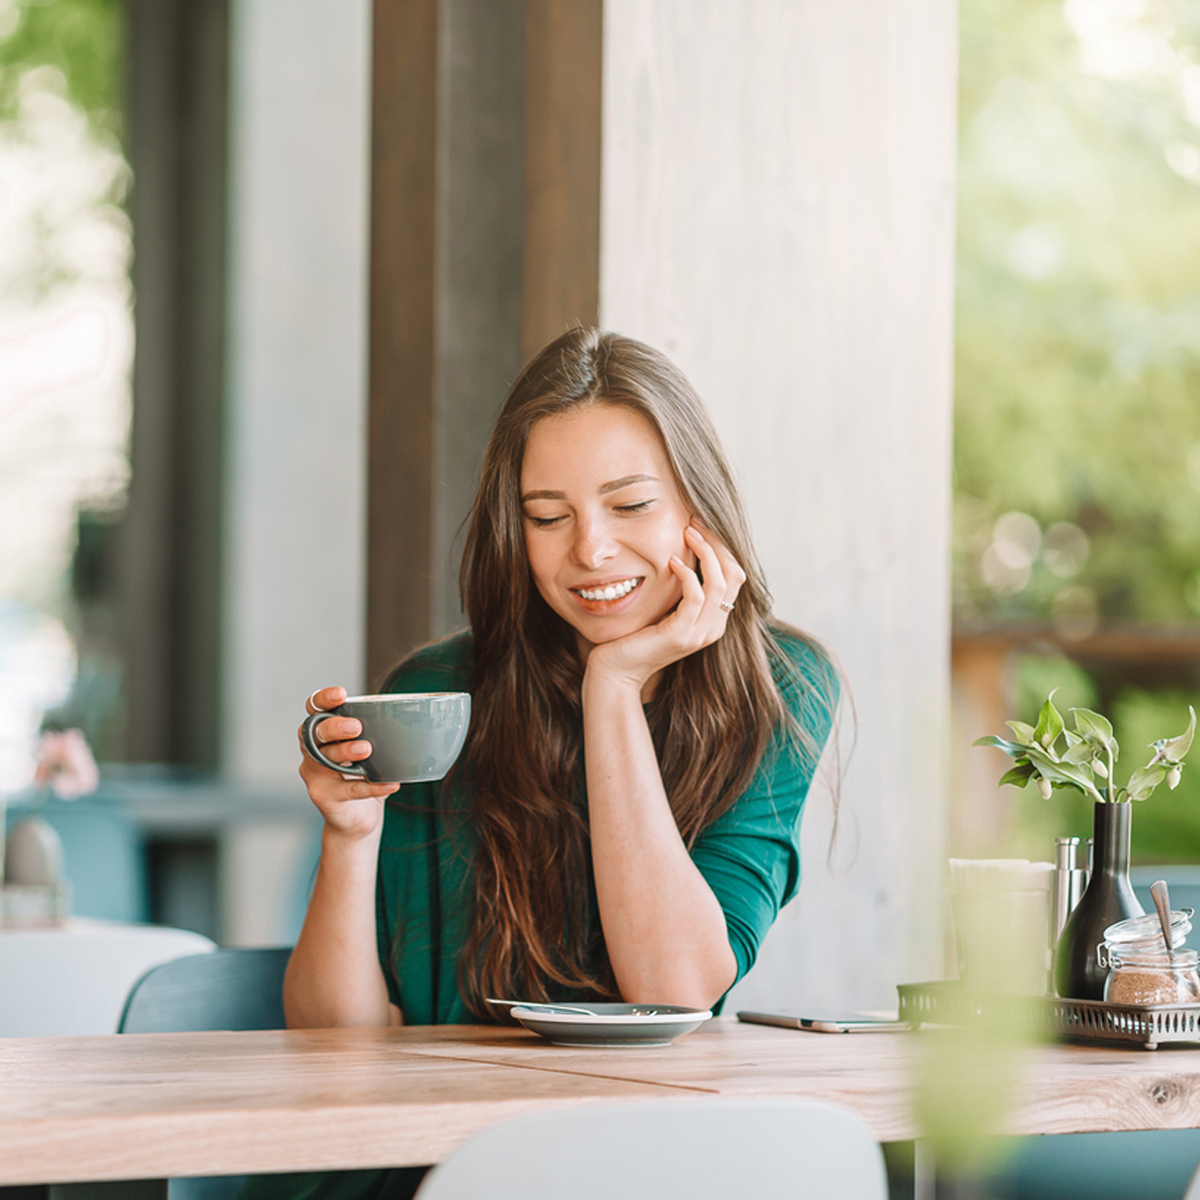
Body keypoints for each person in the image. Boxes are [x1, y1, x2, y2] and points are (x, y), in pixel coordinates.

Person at [245, 327, 839, 1200]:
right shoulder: (437, 693)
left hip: (628, 1164)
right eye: (547, 517)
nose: (588, 550)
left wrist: (614, 686)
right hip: (418, 1169)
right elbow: (339, 1045)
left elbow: (673, 990)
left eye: (630, 506)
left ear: (697, 509)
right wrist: (349, 834)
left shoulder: (778, 687)